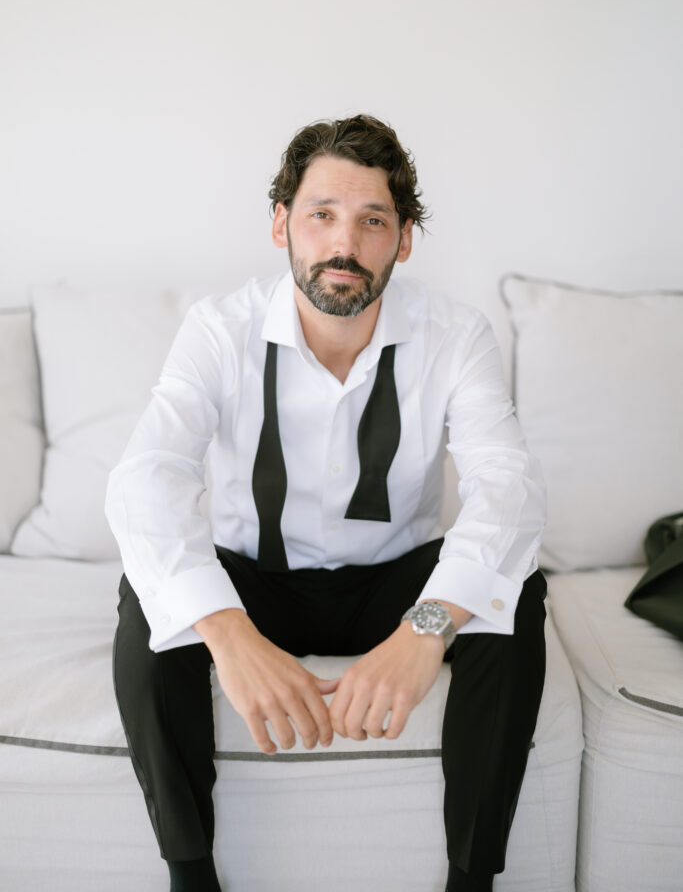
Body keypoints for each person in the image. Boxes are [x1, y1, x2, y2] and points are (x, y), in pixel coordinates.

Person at [106, 114, 547, 892]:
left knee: (514, 591)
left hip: (392, 586)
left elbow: (507, 489)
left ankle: (471, 880)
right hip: (256, 581)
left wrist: (424, 630)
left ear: (402, 241)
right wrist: (228, 634)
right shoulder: (219, 329)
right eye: (322, 215)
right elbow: (147, 477)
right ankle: (190, 877)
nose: (345, 243)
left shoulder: (456, 335)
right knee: (151, 597)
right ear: (282, 224)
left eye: (373, 220)